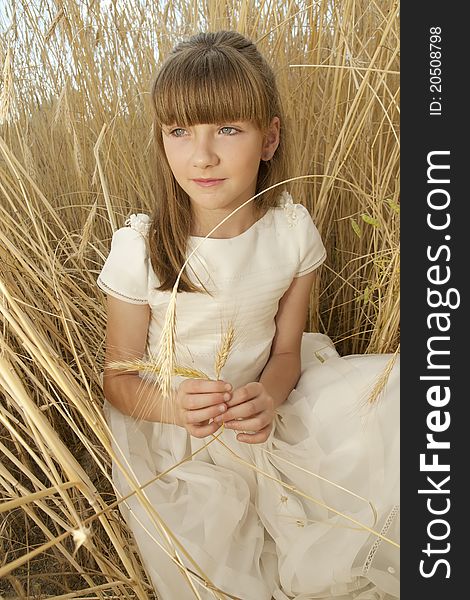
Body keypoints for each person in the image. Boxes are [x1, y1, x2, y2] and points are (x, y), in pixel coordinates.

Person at [97, 30, 399, 600]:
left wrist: (271, 395)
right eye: (179, 131)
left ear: (269, 138)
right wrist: (172, 407)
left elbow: (286, 353)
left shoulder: (290, 233)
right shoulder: (141, 249)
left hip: (267, 404)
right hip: (176, 431)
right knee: (224, 567)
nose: (201, 154)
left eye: (228, 129)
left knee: (400, 409)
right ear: (162, 141)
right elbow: (118, 379)